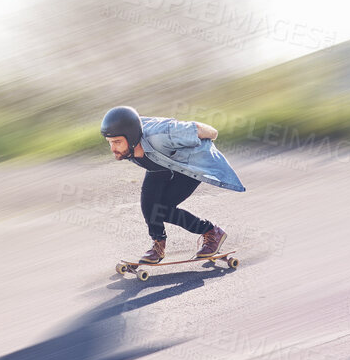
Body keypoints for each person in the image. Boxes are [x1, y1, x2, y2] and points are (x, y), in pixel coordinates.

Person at [100, 106, 244, 264]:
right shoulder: (127, 146)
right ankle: (158, 245)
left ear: (132, 137)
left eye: (117, 142)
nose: (113, 148)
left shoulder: (163, 135)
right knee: (149, 208)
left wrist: (205, 144)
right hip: (160, 163)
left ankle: (211, 231)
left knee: (162, 210)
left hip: (188, 165)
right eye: (110, 143)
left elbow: (210, 131)